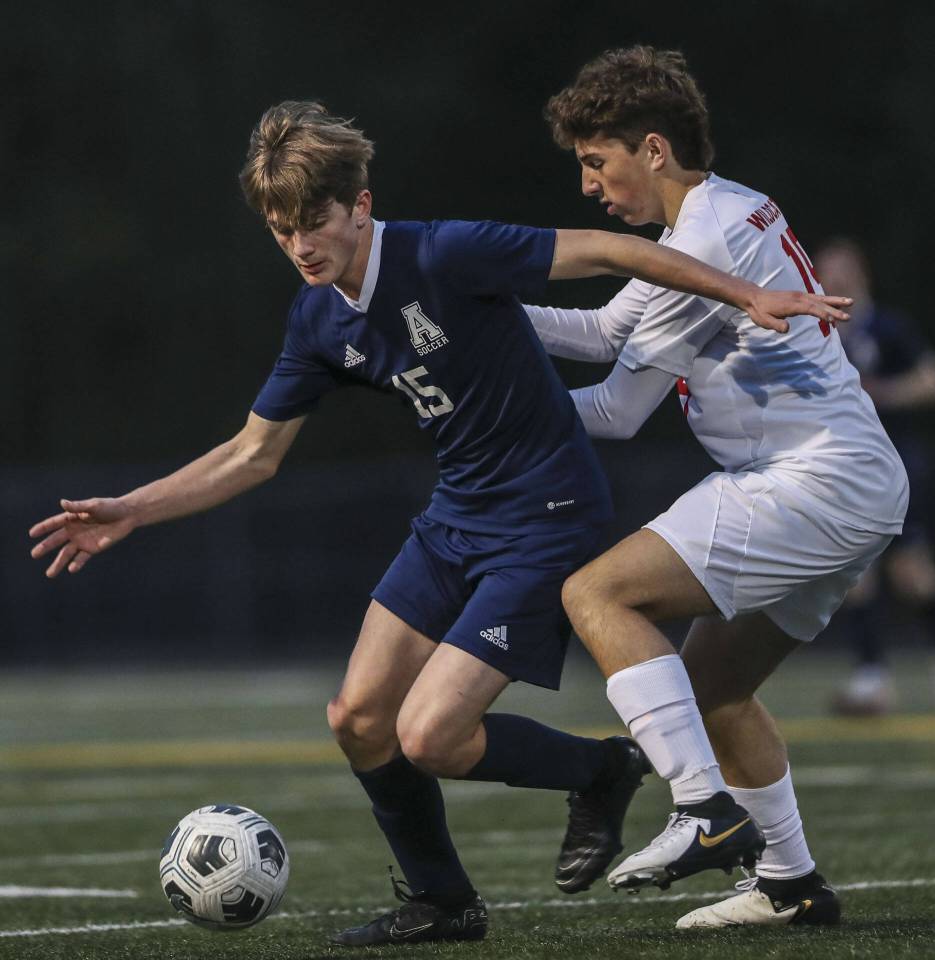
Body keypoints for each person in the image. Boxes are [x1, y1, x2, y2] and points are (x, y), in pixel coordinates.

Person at [27, 101, 847, 947]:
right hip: (455, 519)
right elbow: (251, 455)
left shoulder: (443, 251)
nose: (303, 246)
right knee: (357, 719)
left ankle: (603, 768)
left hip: (546, 516)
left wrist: (749, 293)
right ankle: (443, 901)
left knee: (429, 736)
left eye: (316, 222)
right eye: (283, 231)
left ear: (361, 205)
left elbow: (609, 249)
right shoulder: (316, 318)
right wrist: (131, 510)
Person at [523, 46, 908, 931]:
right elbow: (601, 327)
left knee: (597, 594)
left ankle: (703, 808)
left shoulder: (706, 236)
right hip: (849, 480)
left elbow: (617, 408)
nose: (588, 187)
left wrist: (479, 404)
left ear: (652, 150)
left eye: (596, 161)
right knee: (712, 687)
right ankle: (792, 883)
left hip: (810, 479)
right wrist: (474, 313)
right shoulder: (713, 217)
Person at [815, 238, 935, 715]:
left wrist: (881, 392)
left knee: (912, 575)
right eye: (826, 271)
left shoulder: (887, 327)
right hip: (842, 468)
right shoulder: (816, 330)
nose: (833, 278)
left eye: (841, 269)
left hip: (895, 466)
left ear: (861, 273)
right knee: (853, 574)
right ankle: (872, 679)